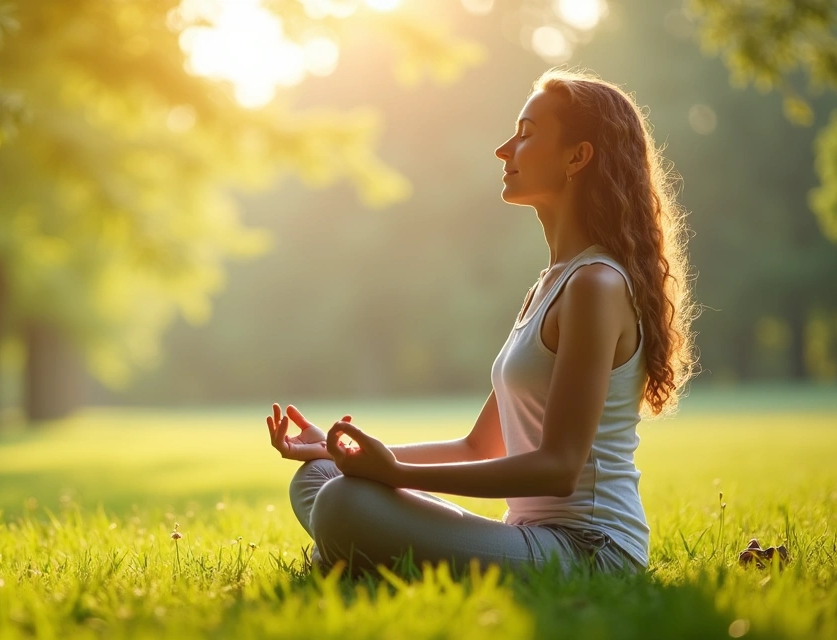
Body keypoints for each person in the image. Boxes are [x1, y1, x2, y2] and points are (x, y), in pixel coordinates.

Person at [263, 68, 698, 577]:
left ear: (578, 156)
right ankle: (357, 553)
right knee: (319, 478)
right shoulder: (550, 286)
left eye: (527, 133)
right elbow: (478, 447)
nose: (503, 149)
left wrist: (395, 473)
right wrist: (344, 455)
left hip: (590, 551)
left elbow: (559, 469)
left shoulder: (595, 286)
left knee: (342, 504)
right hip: (529, 538)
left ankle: (349, 556)